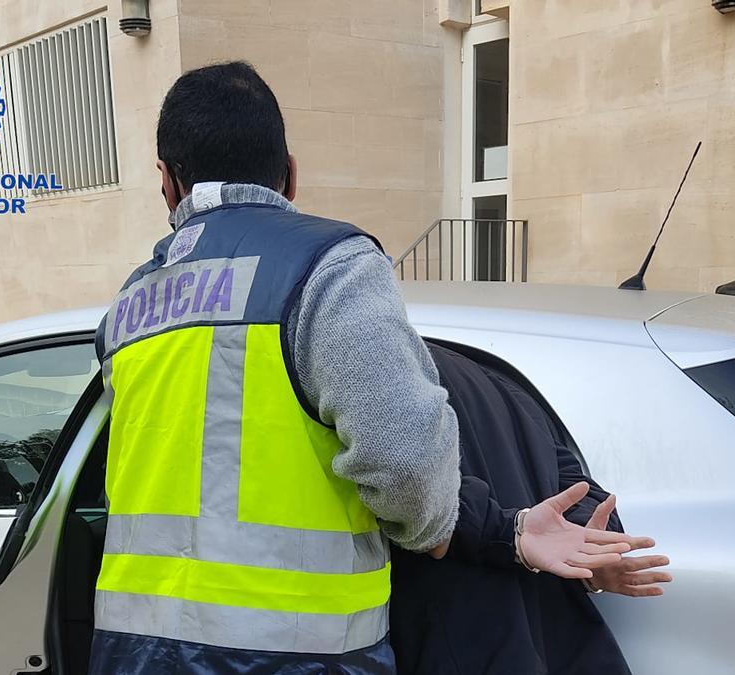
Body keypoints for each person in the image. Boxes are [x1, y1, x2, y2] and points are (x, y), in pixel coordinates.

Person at [87, 61, 465, 674]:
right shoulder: (331, 268)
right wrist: (434, 531)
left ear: (167, 181)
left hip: (134, 654)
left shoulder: (128, 306)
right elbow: (406, 464)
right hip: (298, 658)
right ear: (290, 173)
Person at [390, 343, 672, 675]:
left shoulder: (380, 376)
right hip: (567, 654)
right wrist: (589, 546)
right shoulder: (498, 383)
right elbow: (578, 488)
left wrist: (530, 537)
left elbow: (411, 485)